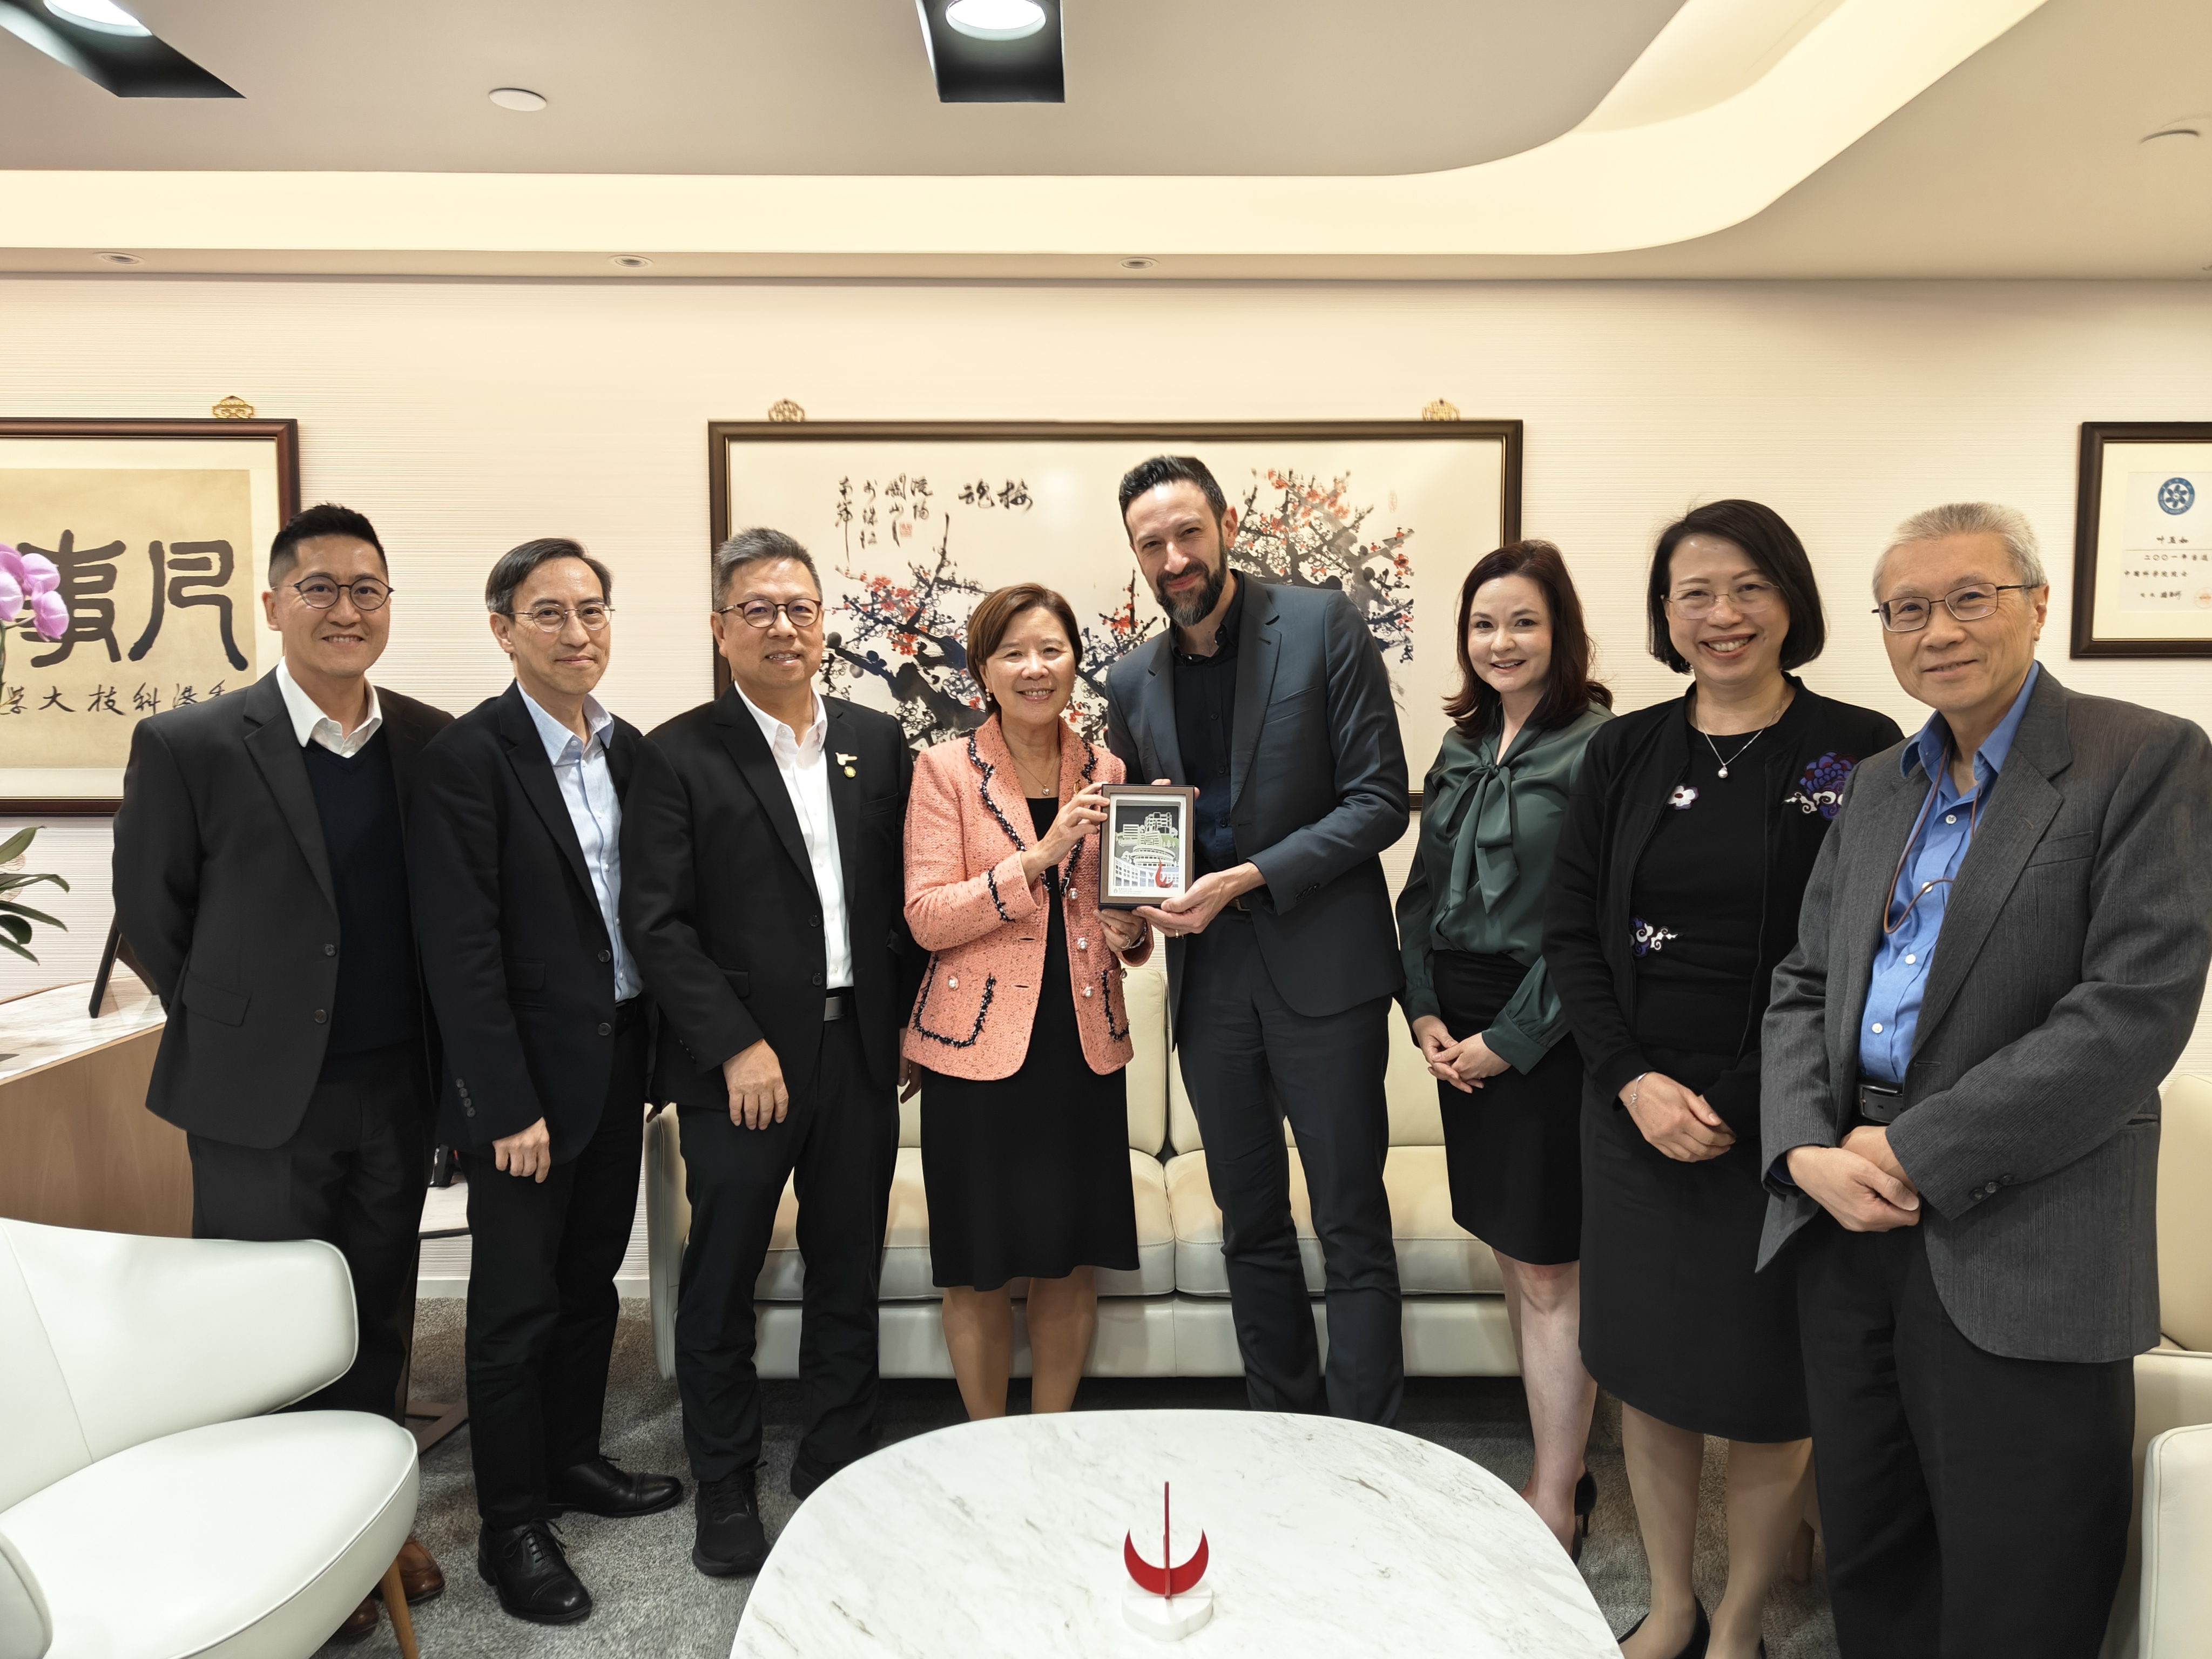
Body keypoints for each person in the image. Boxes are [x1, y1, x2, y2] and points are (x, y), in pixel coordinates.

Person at [1761, 503, 2212, 1659]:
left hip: (2027, 1225)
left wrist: (1916, 1149)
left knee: (2023, 1573)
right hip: (1842, 1219)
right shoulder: (1873, 786)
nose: (1938, 630)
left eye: (1970, 597)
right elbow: (1802, 982)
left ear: (2036, 604)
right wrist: (1804, 1148)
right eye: (1906, 610)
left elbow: (2129, 1013)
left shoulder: (2144, 757)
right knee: (1872, 1548)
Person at [1545, 500, 1900, 1659]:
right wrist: (1632, 1081)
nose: (1721, 615)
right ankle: (1674, 1601)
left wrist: (1752, 1101)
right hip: (1635, 1112)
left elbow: (1869, 949)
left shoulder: (1862, 748)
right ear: (1662, 615)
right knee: (1647, 1370)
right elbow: (1570, 935)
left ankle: (1741, 1616)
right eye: (1692, 593)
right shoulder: (1624, 747)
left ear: (1789, 598)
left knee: (1768, 1382)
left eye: (1746, 587)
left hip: (1789, 1117)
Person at [112, 502, 453, 1640]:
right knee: (263, 1321)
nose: (345, 609)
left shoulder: (426, 741)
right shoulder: (194, 744)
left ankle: (375, 1522)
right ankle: (274, 1533)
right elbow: (154, 918)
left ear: (389, 608)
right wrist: (253, 1026)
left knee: (375, 1308)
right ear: (272, 605)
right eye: (320, 587)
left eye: (367, 589)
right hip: (260, 1094)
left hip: (395, 1081)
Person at [621, 527, 922, 1578]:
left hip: (858, 1055)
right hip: (739, 1070)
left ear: (822, 620)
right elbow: (655, 925)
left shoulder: (878, 744)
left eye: (798, 606)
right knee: (722, 1282)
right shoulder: (674, 754)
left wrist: (909, 1025)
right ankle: (725, 1485)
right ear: (719, 628)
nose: (782, 626)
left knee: (847, 1266)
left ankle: (838, 1456)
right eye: (757, 609)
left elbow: (902, 905)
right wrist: (737, 1046)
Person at [408, 539, 682, 1624]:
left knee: (587, 1283)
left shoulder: (629, 753)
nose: (579, 633)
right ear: (504, 629)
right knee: (514, 1307)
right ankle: (510, 1524)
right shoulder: (470, 760)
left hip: (619, 1059)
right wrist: (499, 1102)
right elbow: (460, 951)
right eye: (551, 613)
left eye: (594, 611)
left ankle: (572, 1460)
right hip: (524, 1086)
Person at [1104, 454, 1410, 1426]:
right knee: (1251, 1223)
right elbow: (1144, 830)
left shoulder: (1321, 624)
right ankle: (1285, 1429)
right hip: (1211, 982)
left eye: (1188, 532)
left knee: (1352, 1220)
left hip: (1326, 963)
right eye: (1152, 543)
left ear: (1225, 523)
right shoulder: (1131, 678)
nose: (1174, 556)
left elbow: (1378, 801)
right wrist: (1133, 907)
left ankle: (1368, 1448)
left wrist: (1253, 874)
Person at [1395, 541, 1611, 1557]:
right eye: (1484, 625)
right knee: (1520, 1262)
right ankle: (1561, 1464)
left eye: (1522, 621)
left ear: (1560, 631)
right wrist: (1427, 1013)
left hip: (1546, 1027)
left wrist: (1508, 1043)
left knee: (1550, 1271)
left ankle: (1557, 1492)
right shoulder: (1460, 746)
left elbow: (1594, 925)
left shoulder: (1601, 748)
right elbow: (1423, 896)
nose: (1501, 642)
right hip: (1460, 1021)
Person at [903, 583, 1152, 1419]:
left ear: (1076, 664)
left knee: (1067, 1258)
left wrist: (1132, 931)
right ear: (984, 670)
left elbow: (1120, 920)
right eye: (1013, 653)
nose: (1035, 668)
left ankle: (1051, 1441)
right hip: (977, 1050)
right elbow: (928, 916)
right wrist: (1039, 857)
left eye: (1051, 650)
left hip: (1080, 1046)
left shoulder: (1109, 770)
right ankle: (985, 1444)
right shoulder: (943, 771)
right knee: (979, 1262)